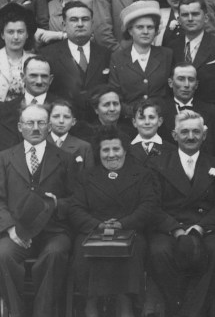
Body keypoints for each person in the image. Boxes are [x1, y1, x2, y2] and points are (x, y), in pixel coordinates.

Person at [147, 111, 215, 317]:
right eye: (185, 132)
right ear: (174, 135)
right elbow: (152, 205)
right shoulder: (157, 164)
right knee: (158, 251)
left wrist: (200, 227)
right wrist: (176, 230)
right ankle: (179, 309)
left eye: (196, 132)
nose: (191, 136)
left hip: (205, 227)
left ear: (204, 135)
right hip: (169, 228)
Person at [0, 103, 74, 317]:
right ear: (20, 127)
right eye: (29, 123)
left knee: (55, 254)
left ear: (49, 127)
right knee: (2, 256)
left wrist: (58, 204)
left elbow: (77, 200)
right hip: (16, 230)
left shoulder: (65, 158)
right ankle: (17, 312)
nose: (35, 128)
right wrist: (10, 229)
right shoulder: (4, 158)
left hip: (53, 231)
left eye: (41, 123)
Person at [66, 125, 157, 317]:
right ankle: (91, 302)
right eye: (105, 150)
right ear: (98, 153)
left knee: (134, 248)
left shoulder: (142, 174)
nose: (111, 154)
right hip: (93, 231)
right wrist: (98, 225)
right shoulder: (86, 176)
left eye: (116, 149)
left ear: (125, 150)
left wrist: (122, 224)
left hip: (130, 230)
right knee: (84, 249)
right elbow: (75, 209)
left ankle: (125, 301)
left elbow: (148, 206)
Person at [38, 1, 112, 120]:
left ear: (92, 24)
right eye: (74, 20)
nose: (80, 24)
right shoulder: (47, 54)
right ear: (64, 25)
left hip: (98, 121)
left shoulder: (106, 54)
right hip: (63, 121)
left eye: (85, 19)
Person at [167, 0, 215, 112]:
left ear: (205, 18)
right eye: (185, 15)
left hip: (214, 114)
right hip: (178, 113)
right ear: (179, 20)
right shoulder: (171, 47)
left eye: (195, 14)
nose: (190, 19)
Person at [109, 1, 173, 107]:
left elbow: (170, 93)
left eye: (150, 27)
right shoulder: (118, 58)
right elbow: (116, 96)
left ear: (156, 30)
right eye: (140, 27)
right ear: (130, 30)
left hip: (161, 115)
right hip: (130, 115)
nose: (145, 32)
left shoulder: (166, 55)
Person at [0, 2, 38, 103]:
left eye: (20, 32)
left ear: (27, 34)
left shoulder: (35, 61)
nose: (16, 37)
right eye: (10, 32)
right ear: (2, 35)